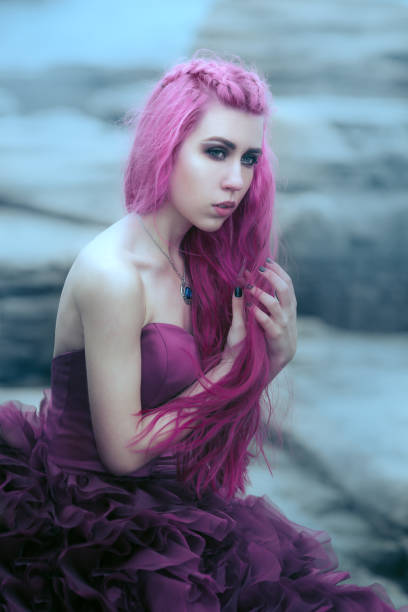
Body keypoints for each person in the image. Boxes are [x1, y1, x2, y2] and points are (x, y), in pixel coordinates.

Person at [0, 53, 405, 612]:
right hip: (92, 526)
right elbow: (124, 452)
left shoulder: (200, 257)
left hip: (174, 507)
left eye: (249, 158)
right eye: (216, 152)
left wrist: (271, 360)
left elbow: (198, 425)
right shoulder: (114, 275)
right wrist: (234, 367)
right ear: (166, 146)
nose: (235, 180)